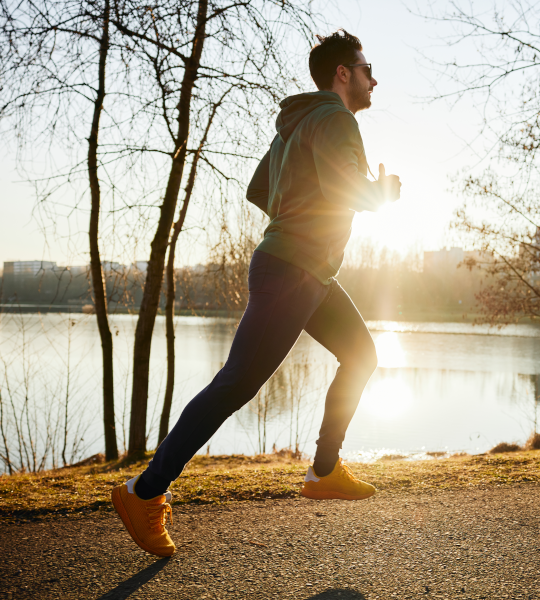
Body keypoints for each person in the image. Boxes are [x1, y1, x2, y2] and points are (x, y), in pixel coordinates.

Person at [111, 30, 401, 557]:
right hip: (293, 269)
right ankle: (143, 492)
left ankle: (324, 469)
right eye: (365, 68)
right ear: (343, 74)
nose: (372, 78)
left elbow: (259, 190)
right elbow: (345, 189)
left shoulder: (292, 127)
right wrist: (381, 194)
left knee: (361, 355)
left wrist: (298, 222)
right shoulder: (338, 119)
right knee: (236, 383)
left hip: (304, 269)